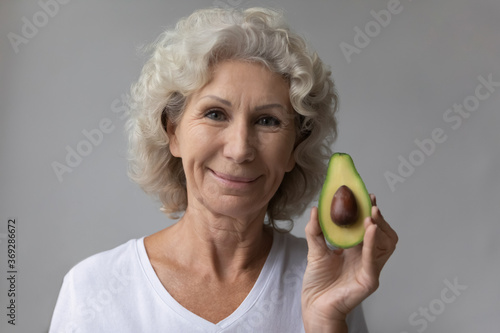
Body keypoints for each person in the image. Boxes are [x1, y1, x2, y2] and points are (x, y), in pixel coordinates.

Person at [49, 7, 398, 333]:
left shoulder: (325, 277)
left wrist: (326, 320)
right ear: (173, 133)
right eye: (215, 114)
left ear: (295, 148)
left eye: (268, 121)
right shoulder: (92, 290)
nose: (240, 148)